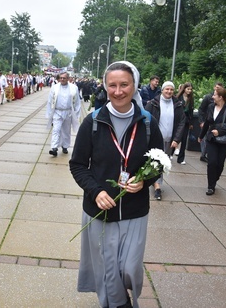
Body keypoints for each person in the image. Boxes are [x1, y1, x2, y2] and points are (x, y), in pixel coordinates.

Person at [70, 61, 163, 308]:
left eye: (124, 84)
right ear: (105, 86)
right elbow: (78, 164)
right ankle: (118, 304)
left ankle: (119, 300)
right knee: (108, 267)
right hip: (100, 210)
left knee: (129, 267)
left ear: (134, 86)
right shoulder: (92, 123)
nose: (118, 91)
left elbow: (159, 161)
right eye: (112, 85)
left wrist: (145, 180)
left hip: (134, 210)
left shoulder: (147, 123)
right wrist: (95, 191)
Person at [145, 81, 186, 200]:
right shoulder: (153, 103)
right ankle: (157, 186)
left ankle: (155, 181)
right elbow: (145, 118)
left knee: (162, 163)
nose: (169, 92)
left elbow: (181, 123)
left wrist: (176, 139)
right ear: (162, 90)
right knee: (156, 161)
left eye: (171, 90)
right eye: (166, 89)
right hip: (155, 139)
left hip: (170, 140)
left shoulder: (177, 104)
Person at [198, 87, 226, 196]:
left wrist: (219, 132)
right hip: (211, 139)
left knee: (219, 164)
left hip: (224, 141)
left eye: (214, 95)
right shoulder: (211, 107)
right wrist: (201, 136)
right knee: (212, 162)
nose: (212, 97)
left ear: (220, 97)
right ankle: (211, 186)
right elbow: (207, 122)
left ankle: (215, 178)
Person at [46, 72, 81, 157]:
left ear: (68, 79)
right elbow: (50, 101)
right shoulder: (54, 88)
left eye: (64, 78)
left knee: (66, 130)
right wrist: (49, 114)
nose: (62, 79)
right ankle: (54, 148)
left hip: (68, 112)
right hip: (57, 112)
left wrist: (76, 114)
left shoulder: (74, 88)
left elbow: (77, 102)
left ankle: (65, 146)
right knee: (56, 129)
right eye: (61, 78)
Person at [197, 82, 224, 162]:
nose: (217, 89)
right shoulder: (208, 97)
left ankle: (208, 154)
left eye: (219, 88)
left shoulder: (223, 100)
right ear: (214, 87)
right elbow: (201, 109)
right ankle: (203, 154)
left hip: (216, 124)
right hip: (207, 121)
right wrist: (201, 121)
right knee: (205, 138)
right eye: (217, 87)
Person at [176, 82, 194, 164]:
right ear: (184, 89)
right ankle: (171, 153)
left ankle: (181, 158)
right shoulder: (178, 98)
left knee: (184, 139)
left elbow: (191, 111)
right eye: (188, 89)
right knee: (176, 137)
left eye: (190, 89)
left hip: (186, 121)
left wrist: (191, 123)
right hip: (179, 120)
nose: (189, 91)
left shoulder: (191, 99)